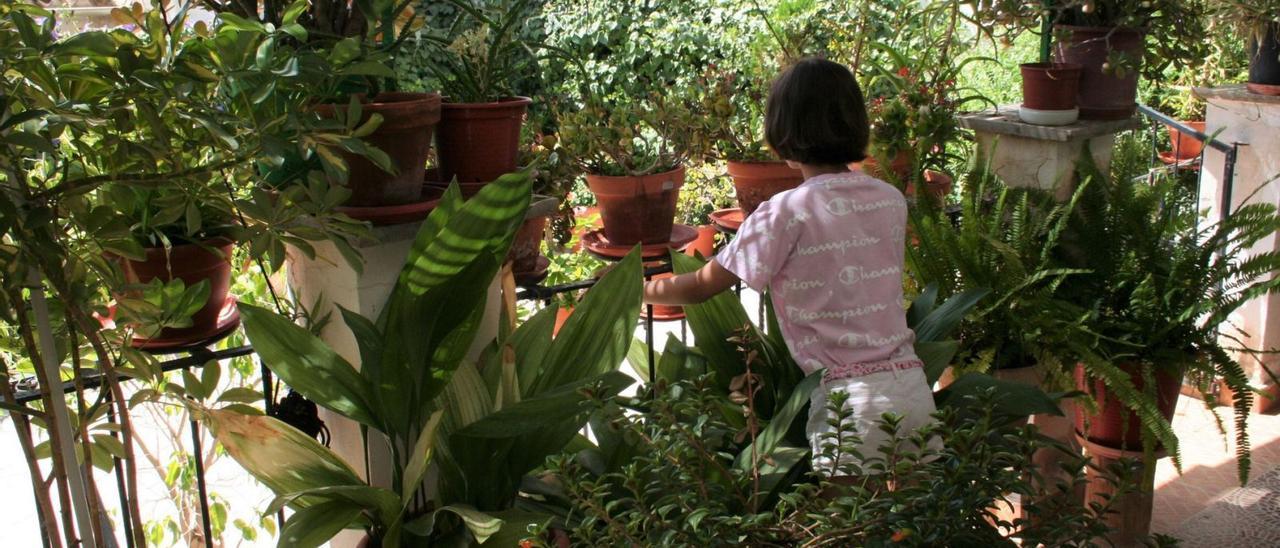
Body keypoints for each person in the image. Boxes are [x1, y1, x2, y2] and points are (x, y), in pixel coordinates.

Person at [642, 57, 937, 476]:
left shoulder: (785, 212)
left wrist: (637, 289)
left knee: (844, 529)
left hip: (847, 402)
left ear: (782, 134)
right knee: (912, 525)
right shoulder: (888, 198)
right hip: (911, 385)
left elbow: (700, 287)